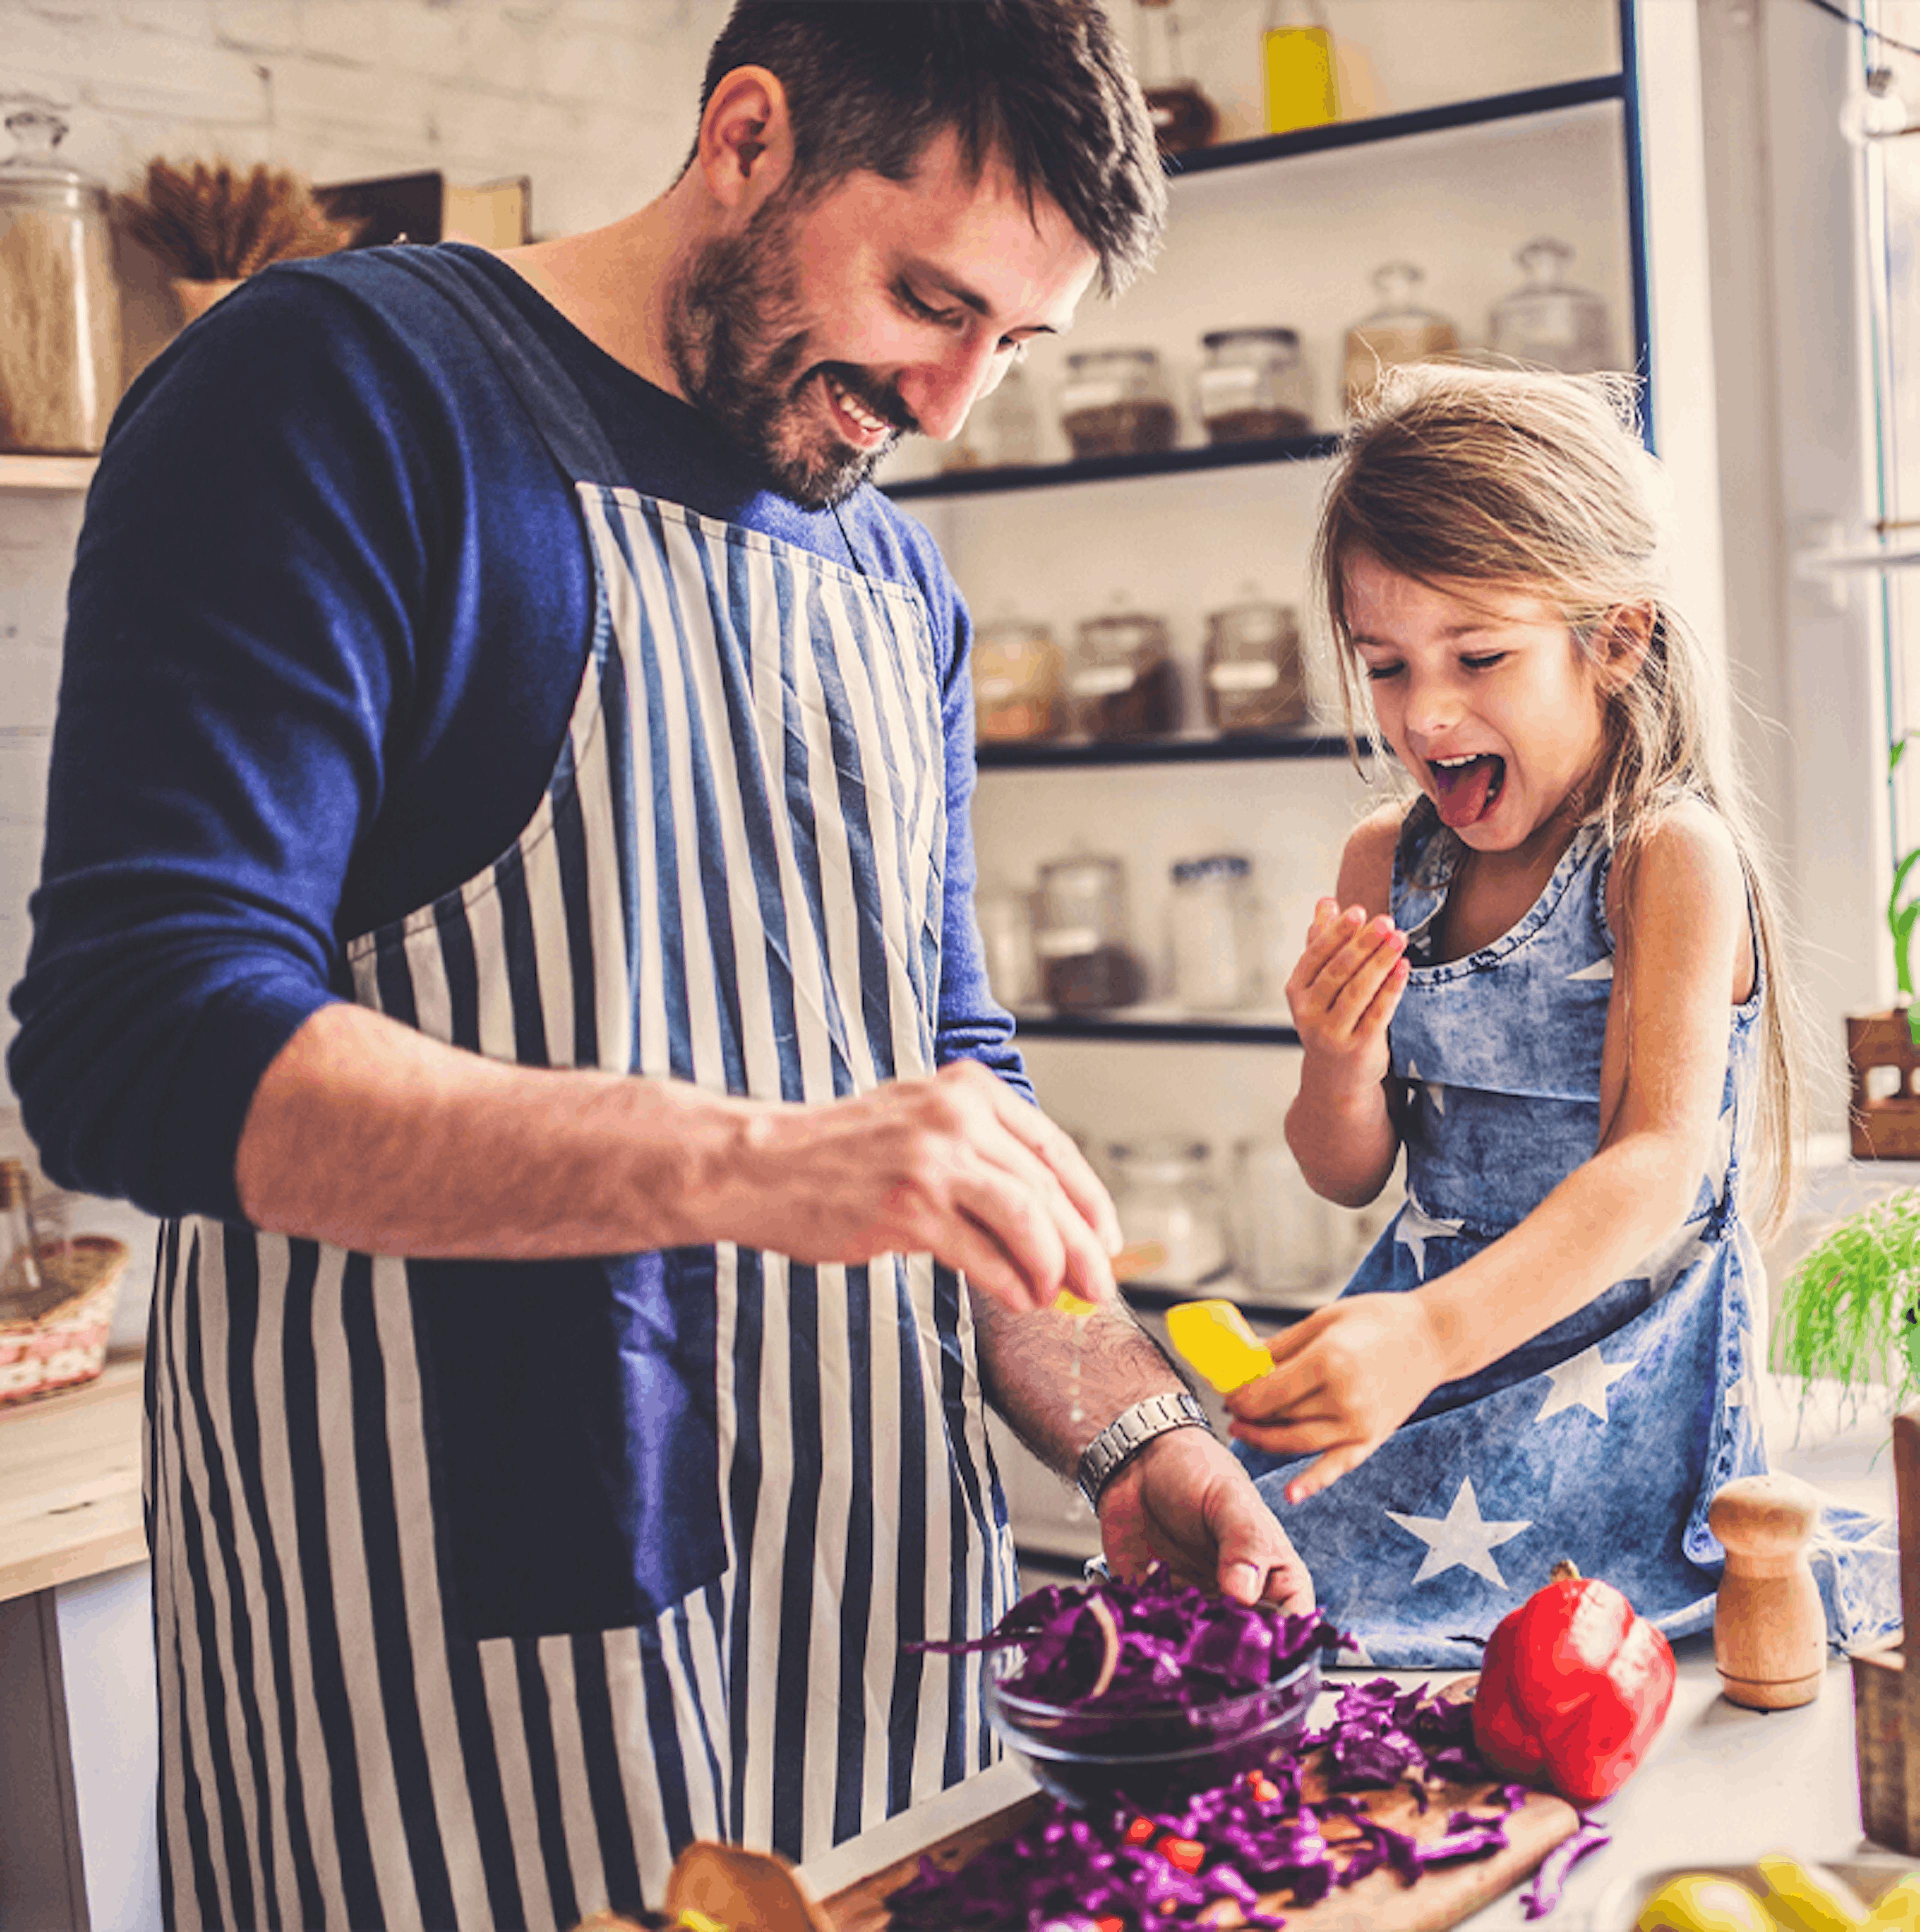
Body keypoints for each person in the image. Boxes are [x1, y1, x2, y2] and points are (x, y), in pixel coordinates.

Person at [8, 5, 1312, 1926]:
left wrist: (1134, 1428)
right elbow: (138, 1033)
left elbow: (956, 1087)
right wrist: (746, 1164)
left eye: (1012, 347)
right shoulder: (339, 392)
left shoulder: (898, 588)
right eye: (928, 298)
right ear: (748, 138)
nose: (954, 404)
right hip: (449, 1677)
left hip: (880, 1653)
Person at [1226, 362, 1896, 1668]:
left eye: (1480, 656)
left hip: (1618, 1378)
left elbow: (1655, 1169)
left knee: (1562, 1650)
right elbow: (1346, 1172)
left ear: (1616, 637)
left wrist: (1426, 1337)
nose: (1426, 711)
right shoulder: (1386, 867)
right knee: (1259, 1573)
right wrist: (1337, 1063)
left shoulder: (1664, 858)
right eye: (1386, 665)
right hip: (1437, 1346)